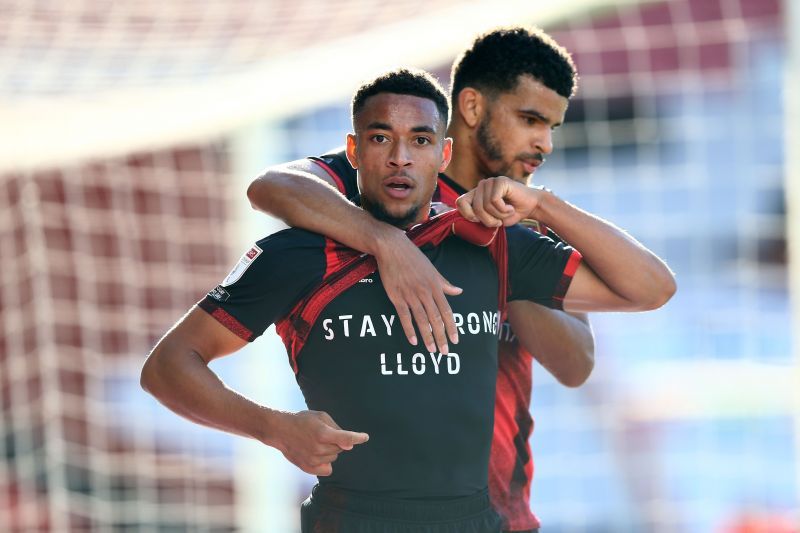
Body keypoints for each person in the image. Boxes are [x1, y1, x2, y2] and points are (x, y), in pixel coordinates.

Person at [141, 69, 675, 532]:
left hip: (475, 520)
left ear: (443, 155)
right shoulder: (299, 254)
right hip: (351, 520)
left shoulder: (489, 241)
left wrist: (544, 204)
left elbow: (651, 288)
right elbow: (167, 367)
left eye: (420, 141)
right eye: (380, 138)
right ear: (353, 151)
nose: (400, 158)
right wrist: (275, 427)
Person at [247, 26, 594, 531]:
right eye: (530, 120)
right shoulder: (382, 182)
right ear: (472, 109)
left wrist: (495, 260)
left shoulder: (528, 223)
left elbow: (577, 363)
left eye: (552, 127)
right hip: (378, 509)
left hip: (499, 513)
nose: (543, 143)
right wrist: (389, 243)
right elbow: (272, 186)